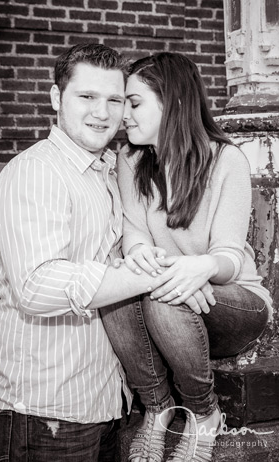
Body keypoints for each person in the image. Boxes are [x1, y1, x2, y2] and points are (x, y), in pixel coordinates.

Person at [0, 44, 211, 462]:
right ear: (56, 98)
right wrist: (166, 277)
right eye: (86, 97)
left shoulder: (109, 169)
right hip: (42, 413)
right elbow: (36, 285)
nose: (102, 113)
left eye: (114, 100)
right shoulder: (37, 172)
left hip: (106, 404)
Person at [100, 52, 272, 462]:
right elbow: (134, 233)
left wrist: (201, 269)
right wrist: (147, 259)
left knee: (165, 296)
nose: (124, 114)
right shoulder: (131, 159)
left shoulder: (225, 159)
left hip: (233, 303)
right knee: (115, 289)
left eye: (134, 102)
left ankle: (203, 414)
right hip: (171, 296)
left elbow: (229, 257)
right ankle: (158, 411)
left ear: (172, 101)